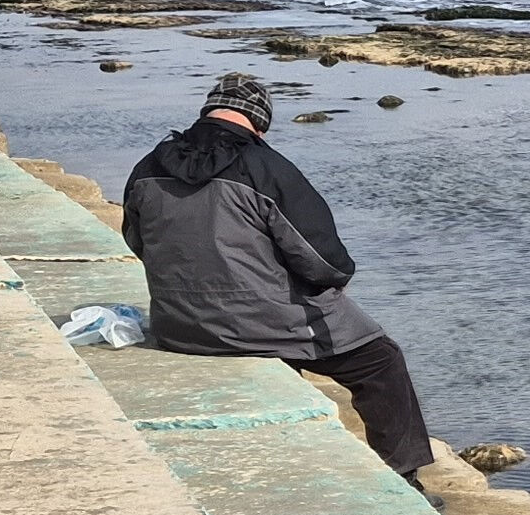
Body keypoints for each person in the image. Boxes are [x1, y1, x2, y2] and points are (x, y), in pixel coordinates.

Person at [121, 72, 436, 483]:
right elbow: (323, 260)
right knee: (381, 361)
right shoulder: (267, 168)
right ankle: (404, 479)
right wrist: (335, 282)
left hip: (178, 326)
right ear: (260, 122)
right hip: (258, 325)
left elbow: (136, 240)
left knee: (287, 323)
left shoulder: (147, 165)